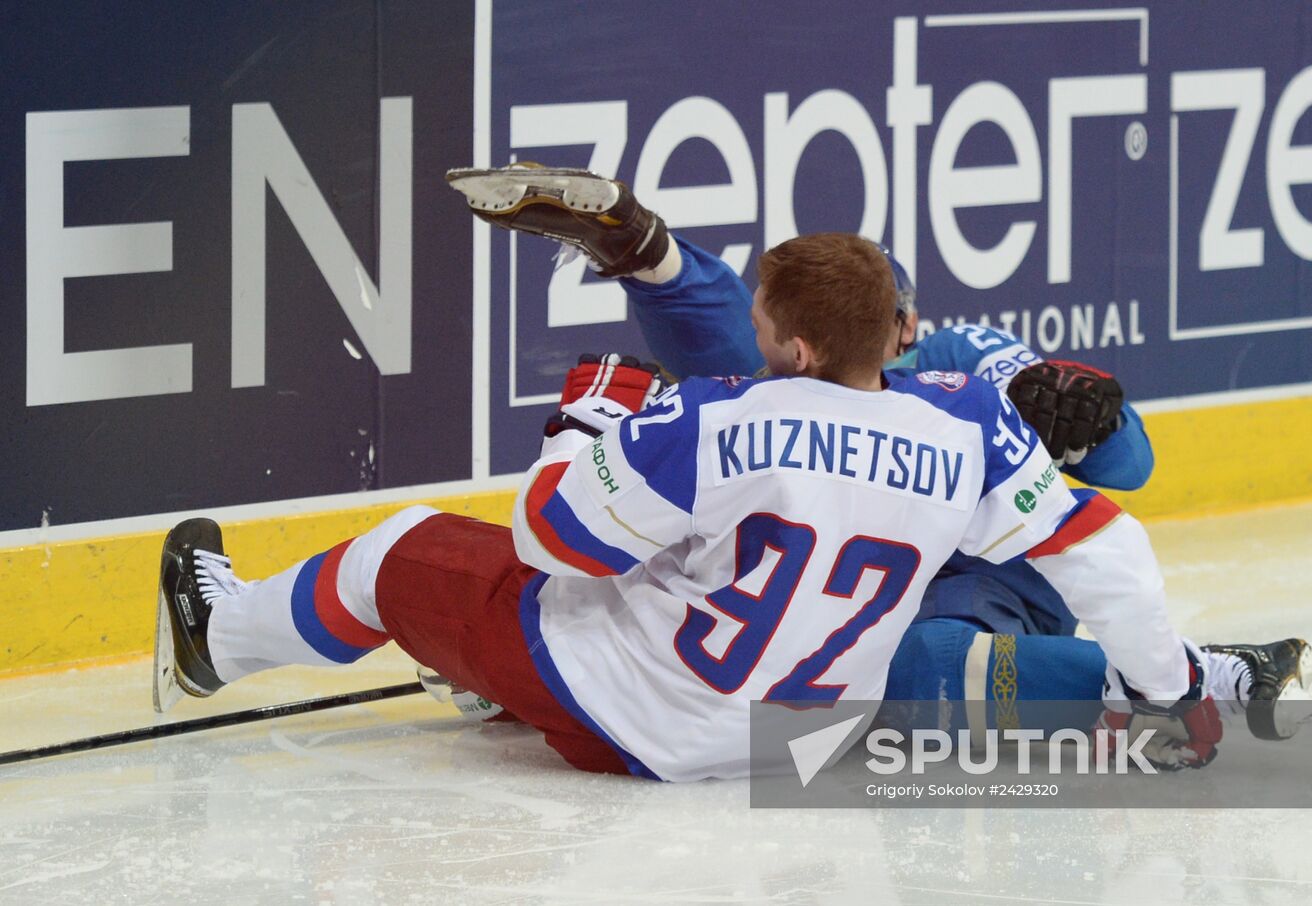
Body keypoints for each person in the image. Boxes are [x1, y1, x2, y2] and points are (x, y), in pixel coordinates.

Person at [155, 232, 1231, 780]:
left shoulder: (718, 414)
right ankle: (490, 689)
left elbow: (551, 541)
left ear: (795, 344)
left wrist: (584, 423)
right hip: (795, 741)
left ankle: (216, 641)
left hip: (640, 723)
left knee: (400, 553)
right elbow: (1114, 553)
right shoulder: (968, 422)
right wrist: (1170, 685)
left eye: (761, 313)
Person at [444, 165, 1312, 749]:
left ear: (906, 326)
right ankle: (651, 257)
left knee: (908, 672)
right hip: (839, 594)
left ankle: (1207, 674)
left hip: (975, 591)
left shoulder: (965, 361)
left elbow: (1130, 473)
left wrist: (1083, 419)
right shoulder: (794, 384)